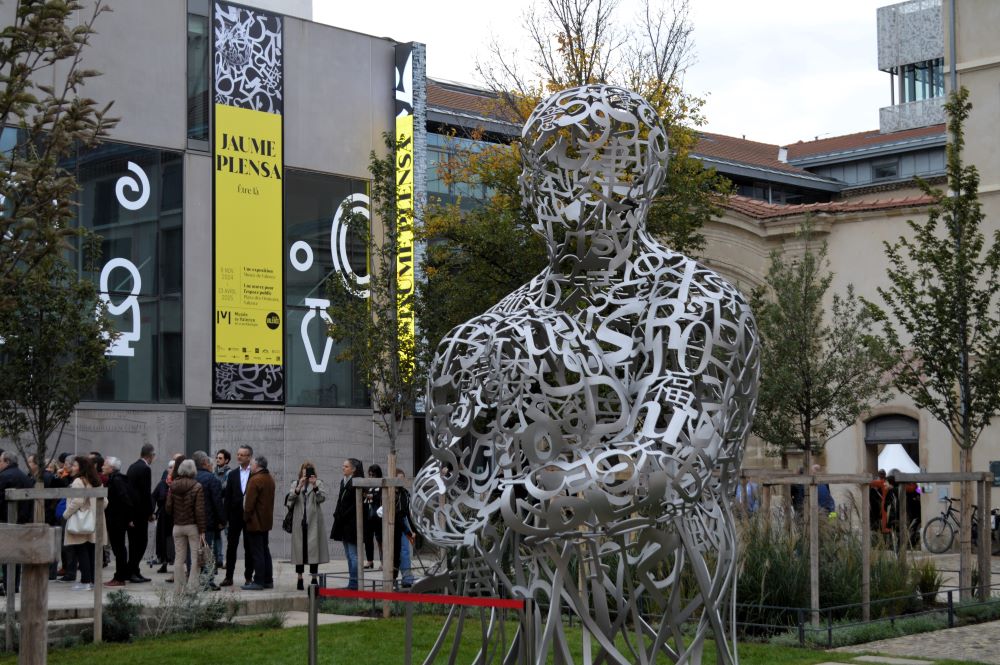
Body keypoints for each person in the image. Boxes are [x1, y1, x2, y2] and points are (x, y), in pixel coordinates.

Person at [62, 456, 105, 591]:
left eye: (74, 465)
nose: (72, 468)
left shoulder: (78, 481)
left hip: (81, 521)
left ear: (81, 467)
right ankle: (92, 580)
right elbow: (105, 502)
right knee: (91, 550)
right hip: (94, 519)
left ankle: (85, 581)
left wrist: (66, 514)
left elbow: (78, 501)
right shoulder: (97, 480)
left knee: (82, 551)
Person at [285, 461, 329, 590]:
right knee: (300, 552)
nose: (306, 473)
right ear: (301, 471)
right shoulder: (295, 483)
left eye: (309, 470)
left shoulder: (318, 483)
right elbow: (289, 502)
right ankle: (299, 578)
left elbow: (321, 499)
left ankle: (314, 578)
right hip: (299, 522)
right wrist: (298, 487)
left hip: (313, 522)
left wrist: (315, 486)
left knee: (313, 551)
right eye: (304, 470)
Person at [166, 459, 206, 593]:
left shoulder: (172, 486)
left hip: (177, 526)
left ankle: (179, 588)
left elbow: (168, 508)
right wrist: (202, 530)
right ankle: (192, 587)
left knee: (179, 558)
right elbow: (199, 511)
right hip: (192, 526)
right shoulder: (197, 486)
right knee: (195, 558)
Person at [0, 451, 35, 594]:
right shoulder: (24, 476)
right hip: (21, 520)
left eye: (0, 461)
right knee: (16, 555)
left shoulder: (4, 476)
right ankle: (14, 585)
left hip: (6, 520)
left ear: (7, 461)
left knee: (6, 555)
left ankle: (8, 586)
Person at [221, 445, 253, 587]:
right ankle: (229, 577)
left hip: (249, 517)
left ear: (249, 457)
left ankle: (248, 577)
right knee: (231, 547)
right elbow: (227, 498)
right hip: (234, 516)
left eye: (242, 455)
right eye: (238, 454)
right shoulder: (233, 474)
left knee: (249, 547)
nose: (239, 457)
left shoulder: (254, 474)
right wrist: (224, 518)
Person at [242, 455, 275, 590]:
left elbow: (249, 505)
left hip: (255, 522)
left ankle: (259, 581)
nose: (250, 466)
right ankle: (268, 580)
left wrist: (245, 518)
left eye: (252, 464)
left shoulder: (255, 480)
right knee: (265, 551)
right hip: (265, 522)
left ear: (258, 466)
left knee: (257, 553)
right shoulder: (269, 479)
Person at [193, 450, 224, 589]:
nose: (212, 467)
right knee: (207, 551)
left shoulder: (190, 478)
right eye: (211, 464)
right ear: (205, 463)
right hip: (208, 522)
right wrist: (222, 520)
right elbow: (217, 503)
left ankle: (194, 579)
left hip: (191, 521)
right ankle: (208, 581)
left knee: (193, 552)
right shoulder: (212, 479)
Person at [102, 457, 134, 587]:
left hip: (117, 520)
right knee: (119, 548)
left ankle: (120, 577)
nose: (102, 467)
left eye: (104, 465)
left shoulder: (116, 480)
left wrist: (129, 518)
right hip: (117, 519)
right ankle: (121, 575)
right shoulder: (116, 479)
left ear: (111, 468)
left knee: (119, 548)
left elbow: (125, 499)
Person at [126, 443, 155, 583]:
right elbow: (146, 493)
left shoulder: (132, 466)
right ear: (150, 456)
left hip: (132, 512)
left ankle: (134, 570)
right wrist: (150, 512)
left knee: (133, 544)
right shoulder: (145, 469)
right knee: (141, 543)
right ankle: (132, 570)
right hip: (140, 513)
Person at [331, 458, 361, 589]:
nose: (343, 468)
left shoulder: (356, 482)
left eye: (346, 466)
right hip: (343, 523)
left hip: (352, 524)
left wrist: (343, 515)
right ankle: (352, 581)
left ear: (353, 469)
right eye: (343, 466)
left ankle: (354, 582)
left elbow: (355, 504)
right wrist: (337, 514)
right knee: (348, 555)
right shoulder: (343, 482)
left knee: (353, 555)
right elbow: (340, 500)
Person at [152, 459, 174, 573]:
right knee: (163, 540)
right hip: (164, 516)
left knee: (174, 540)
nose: (171, 470)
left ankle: (176, 563)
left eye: (173, 468)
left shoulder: (179, 482)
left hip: (176, 516)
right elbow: (154, 497)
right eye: (170, 468)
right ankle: (164, 561)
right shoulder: (162, 483)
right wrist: (153, 512)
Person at [395, 468, 415, 588]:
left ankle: (407, 578)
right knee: (393, 553)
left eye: (403, 478)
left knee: (405, 550)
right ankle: (391, 578)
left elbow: (408, 513)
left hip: (403, 521)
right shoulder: (391, 492)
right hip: (393, 523)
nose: (401, 481)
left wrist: (413, 530)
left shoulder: (405, 493)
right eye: (399, 478)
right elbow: (395, 514)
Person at [362, 463, 383, 570]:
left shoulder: (381, 486)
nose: (371, 477)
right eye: (369, 475)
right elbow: (365, 499)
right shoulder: (368, 487)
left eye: (373, 475)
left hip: (379, 518)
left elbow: (377, 498)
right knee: (368, 540)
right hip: (368, 517)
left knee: (380, 540)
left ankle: (383, 562)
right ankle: (370, 561)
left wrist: (370, 496)